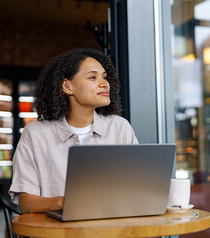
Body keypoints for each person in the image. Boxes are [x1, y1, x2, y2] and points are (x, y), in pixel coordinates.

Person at [9, 48, 139, 214]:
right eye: (93, 77)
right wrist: (66, 202)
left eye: (104, 77)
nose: (104, 83)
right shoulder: (35, 134)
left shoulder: (120, 128)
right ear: (67, 86)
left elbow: (136, 188)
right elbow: (26, 203)